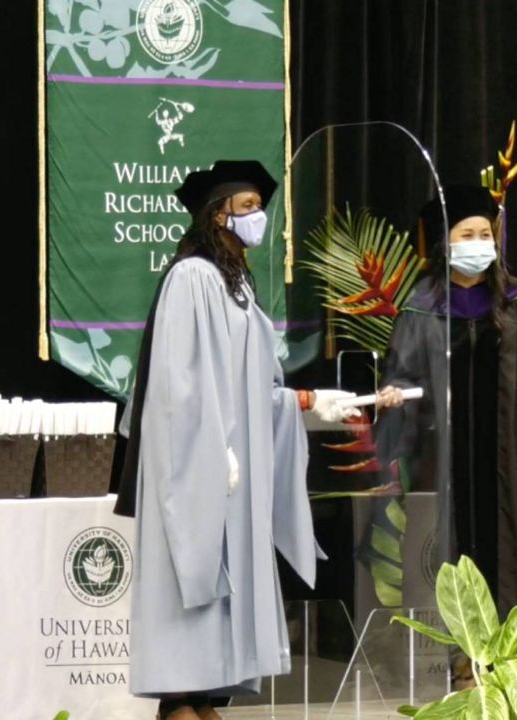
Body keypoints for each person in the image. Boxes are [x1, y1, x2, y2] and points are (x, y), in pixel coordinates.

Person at [115, 160, 354, 720]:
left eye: (257, 206)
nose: (256, 217)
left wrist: (307, 402)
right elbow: (179, 386)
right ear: (216, 213)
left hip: (230, 470)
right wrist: (210, 449)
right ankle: (178, 700)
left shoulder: (237, 284)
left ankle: (203, 698)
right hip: (196, 465)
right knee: (190, 573)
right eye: (245, 207)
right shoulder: (192, 277)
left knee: (226, 585)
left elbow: (250, 388)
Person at [374, 184, 517, 614]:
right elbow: (399, 381)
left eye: (484, 234)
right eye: (466, 235)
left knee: (510, 558)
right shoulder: (421, 309)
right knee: (443, 551)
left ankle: (509, 660)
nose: (478, 243)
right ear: (444, 243)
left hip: (512, 460)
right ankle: (452, 663)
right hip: (441, 463)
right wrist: (392, 401)